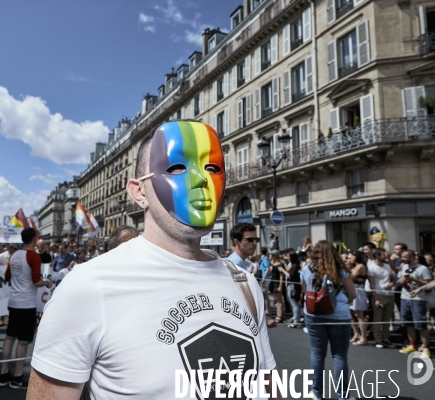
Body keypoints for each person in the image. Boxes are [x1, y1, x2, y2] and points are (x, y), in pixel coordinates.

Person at [27, 121, 277, 399]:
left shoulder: (243, 282)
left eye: (213, 168)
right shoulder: (87, 288)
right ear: (139, 192)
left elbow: (267, 383)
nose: (200, 179)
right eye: (177, 168)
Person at [0, 228, 52, 389]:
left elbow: (6, 277)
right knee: (23, 342)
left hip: (13, 303)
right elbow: (36, 281)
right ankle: (18, 376)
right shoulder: (33, 256)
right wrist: (47, 283)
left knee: (9, 337)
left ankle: (4, 373)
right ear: (34, 239)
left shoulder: (14, 255)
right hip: (27, 304)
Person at [301, 240, 356, 400]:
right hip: (339, 315)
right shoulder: (341, 271)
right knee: (339, 356)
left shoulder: (307, 269)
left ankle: (316, 392)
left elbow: (305, 291)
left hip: (313, 314)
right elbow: (352, 294)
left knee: (317, 354)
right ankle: (343, 395)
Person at [397, 249, 432, 358]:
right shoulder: (403, 267)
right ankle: (412, 345)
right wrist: (401, 281)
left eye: (405, 257)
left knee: (420, 324)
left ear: (412, 257)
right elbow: (398, 281)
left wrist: (414, 279)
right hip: (405, 297)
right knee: (408, 323)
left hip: (418, 299)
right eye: (402, 257)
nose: (402, 259)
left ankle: (425, 348)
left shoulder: (423, 268)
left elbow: (429, 283)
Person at [367, 248, 396, 348]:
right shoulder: (371, 268)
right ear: (377, 256)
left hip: (390, 295)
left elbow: (393, 278)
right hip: (379, 294)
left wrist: (392, 283)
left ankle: (386, 338)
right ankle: (378, 339)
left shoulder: (388, 266)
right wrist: (376, 298)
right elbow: (372, 284)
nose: (385, 256)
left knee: (387, 318)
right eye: (383, 254)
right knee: (377, 318)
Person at [0, 243, 19, 327]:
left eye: (14, 247)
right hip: (4, 282)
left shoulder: (18, 256)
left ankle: (13, 319)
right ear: (8, 248)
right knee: (3, 299)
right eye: (10, 247)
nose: (12, 249)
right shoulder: (2, 256)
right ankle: (1, 318)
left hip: (15, 282)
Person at [347, 250, 368, 346]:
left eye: (350, 256)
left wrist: (347, 267)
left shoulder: (360, 266)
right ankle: (356, 334)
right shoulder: (354, 266)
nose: (349, 258)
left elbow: (349, 277)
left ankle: (364, 337)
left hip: (358, 292)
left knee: (359, 315)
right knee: (350, 314)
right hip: (351, 290)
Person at [282, 250, 302, 328]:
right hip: (290, 285)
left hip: (293, 286)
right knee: (293, 303)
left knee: (295, 304)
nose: (287, 258)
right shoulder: (293, 265)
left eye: (288, 256)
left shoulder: (296, 265)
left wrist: (283, 271)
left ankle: (296, 321)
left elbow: (291, 276)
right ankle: (296, 318)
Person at [267, 250, 285, 323]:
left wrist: (280, 286)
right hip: (272, 282)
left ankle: (280, 316)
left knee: (279, 300)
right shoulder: (272, 264)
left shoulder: (279, 264)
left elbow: (281, 276)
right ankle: (278, 315)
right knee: (276, 300)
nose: (270, 256)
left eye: (272, 255)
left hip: (277, 283)